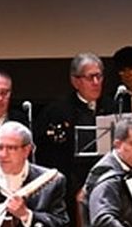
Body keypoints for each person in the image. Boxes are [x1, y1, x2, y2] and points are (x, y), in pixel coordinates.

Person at [36, 53, 115, 200]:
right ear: (75, 81)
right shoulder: (58, 111)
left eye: (99, 76)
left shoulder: (113, 107)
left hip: (107, 182)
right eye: (90, 77)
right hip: (71, 185)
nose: (96, 82)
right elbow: (51, 156)